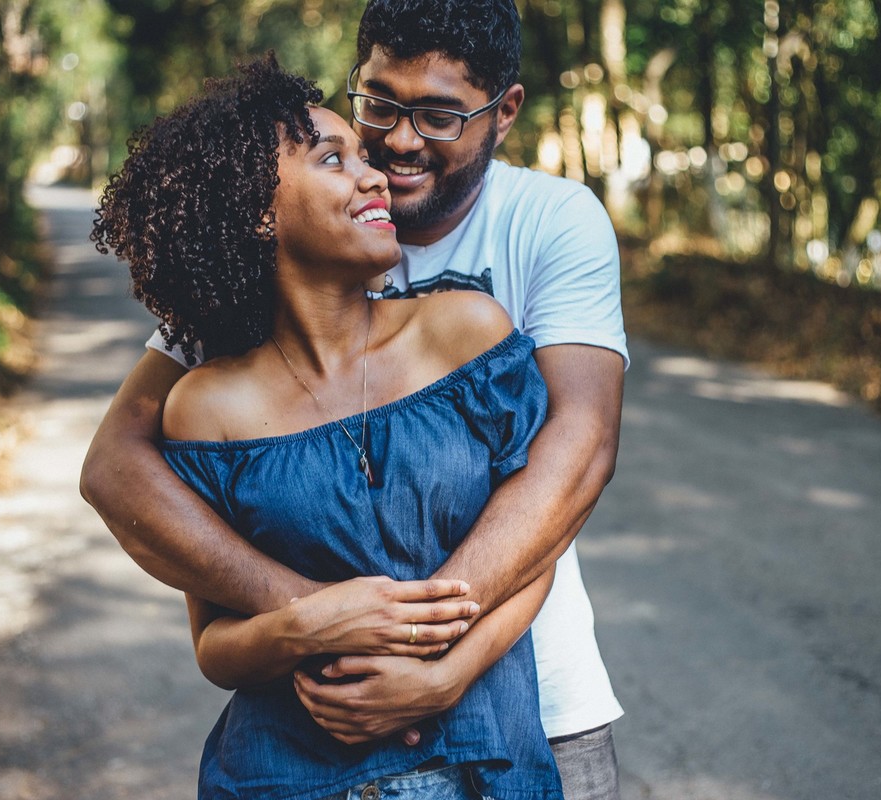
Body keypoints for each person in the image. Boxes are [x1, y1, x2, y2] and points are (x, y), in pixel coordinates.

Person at [81, 1, 628, 796]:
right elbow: (116, 469)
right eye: (379, 104)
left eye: (438, 115)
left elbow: (575, 458)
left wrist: (432, 656)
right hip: (301, 760)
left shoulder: (543, 231)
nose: (396, 145)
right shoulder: (230, 332)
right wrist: (317, 618)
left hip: (528, 711)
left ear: (503, 112)